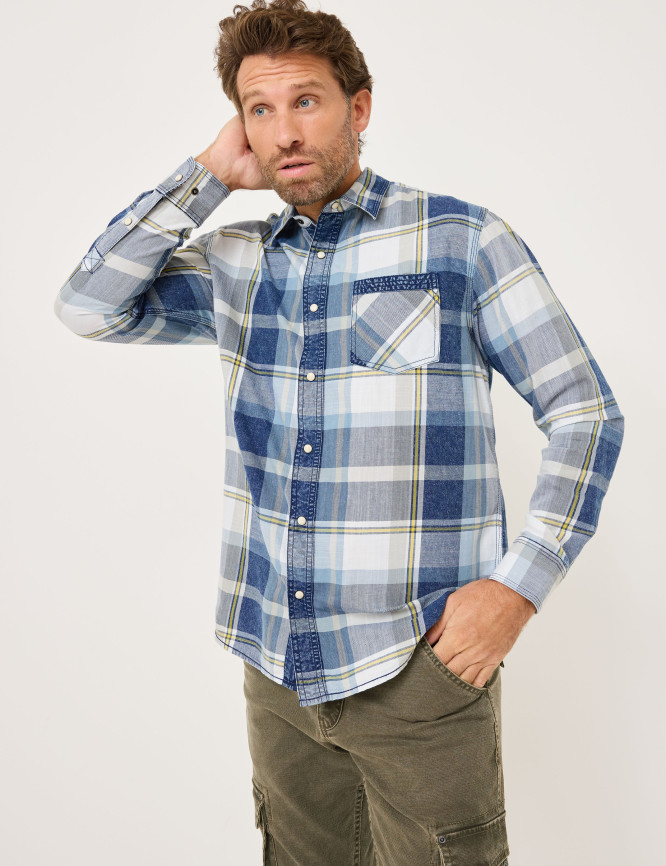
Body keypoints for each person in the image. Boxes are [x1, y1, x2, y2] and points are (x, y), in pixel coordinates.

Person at [53, 1, 624, 863]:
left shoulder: (462, 238)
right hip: (275, 667)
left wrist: (517, 589)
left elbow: (584, 409)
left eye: (306, 101)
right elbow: (89, 307)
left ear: (359, 107)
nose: (285, 132)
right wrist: (207, 175)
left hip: (418, 667)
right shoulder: (235, 264)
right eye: (260, 109)